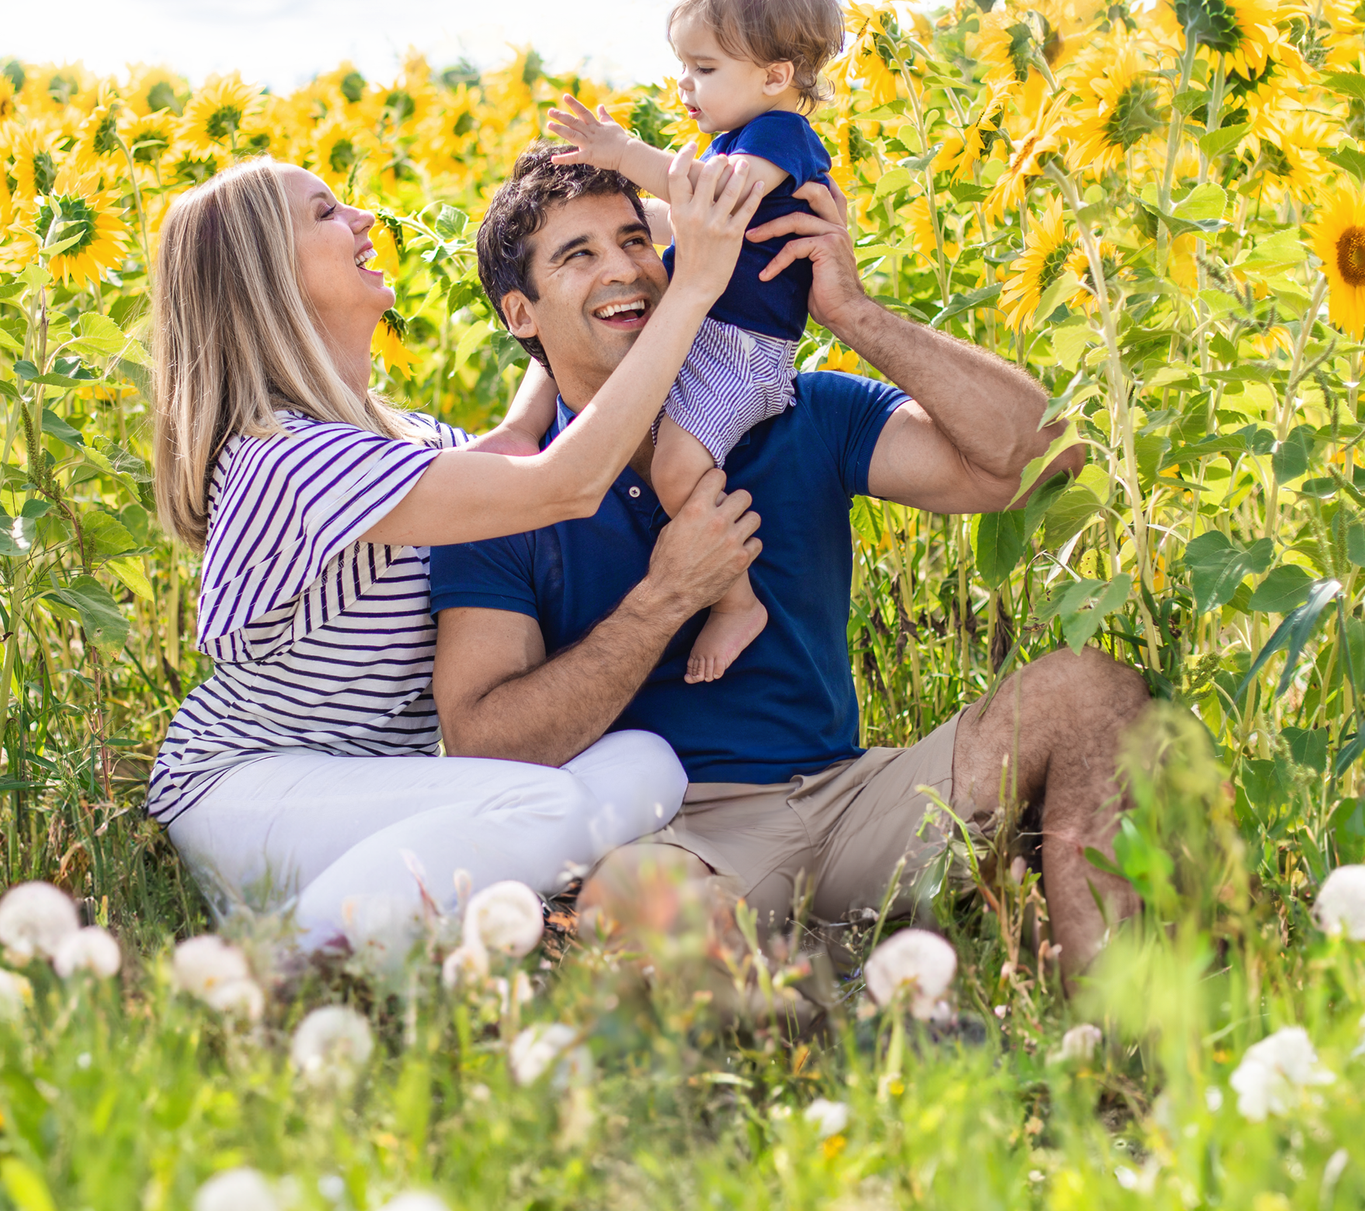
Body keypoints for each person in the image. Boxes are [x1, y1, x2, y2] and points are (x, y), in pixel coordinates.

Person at [427, 146, 1152, 973]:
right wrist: (668, 596)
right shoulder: (500, 496)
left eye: (635, 241)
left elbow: (1038, 458)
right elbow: (484, 744)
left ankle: (1111, 1029)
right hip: (677, 834)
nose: (624, 270)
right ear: (522, 314)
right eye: (578, 255)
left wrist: (854, 313)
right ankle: (827, 1008)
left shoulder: (796, 411)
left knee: (1091, 693)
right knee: (634, 916)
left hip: (853, 798)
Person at [143, 151, 768, 951]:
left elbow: (517, 439)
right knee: (543, 808)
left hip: (370, 795)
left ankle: (387, 914)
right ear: (266, 275)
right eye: (327, 213)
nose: (364, 219)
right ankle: (280, 962)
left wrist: (602, 266)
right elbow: (566, 481)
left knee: (649, 763)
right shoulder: (286, 458)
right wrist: (693, 291)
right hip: (244, 789)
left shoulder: (403, 442)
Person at [545, 0, 844, 684]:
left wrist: (623, 154)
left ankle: (736, 601)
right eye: (682, 66)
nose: (685, 85)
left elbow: (713, 204)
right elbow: (687, 222)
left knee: (678, 470)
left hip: (742, 351)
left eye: (704, 68)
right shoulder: (733, 141)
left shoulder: (781, 137)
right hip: (706, 333)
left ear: (775, 76)